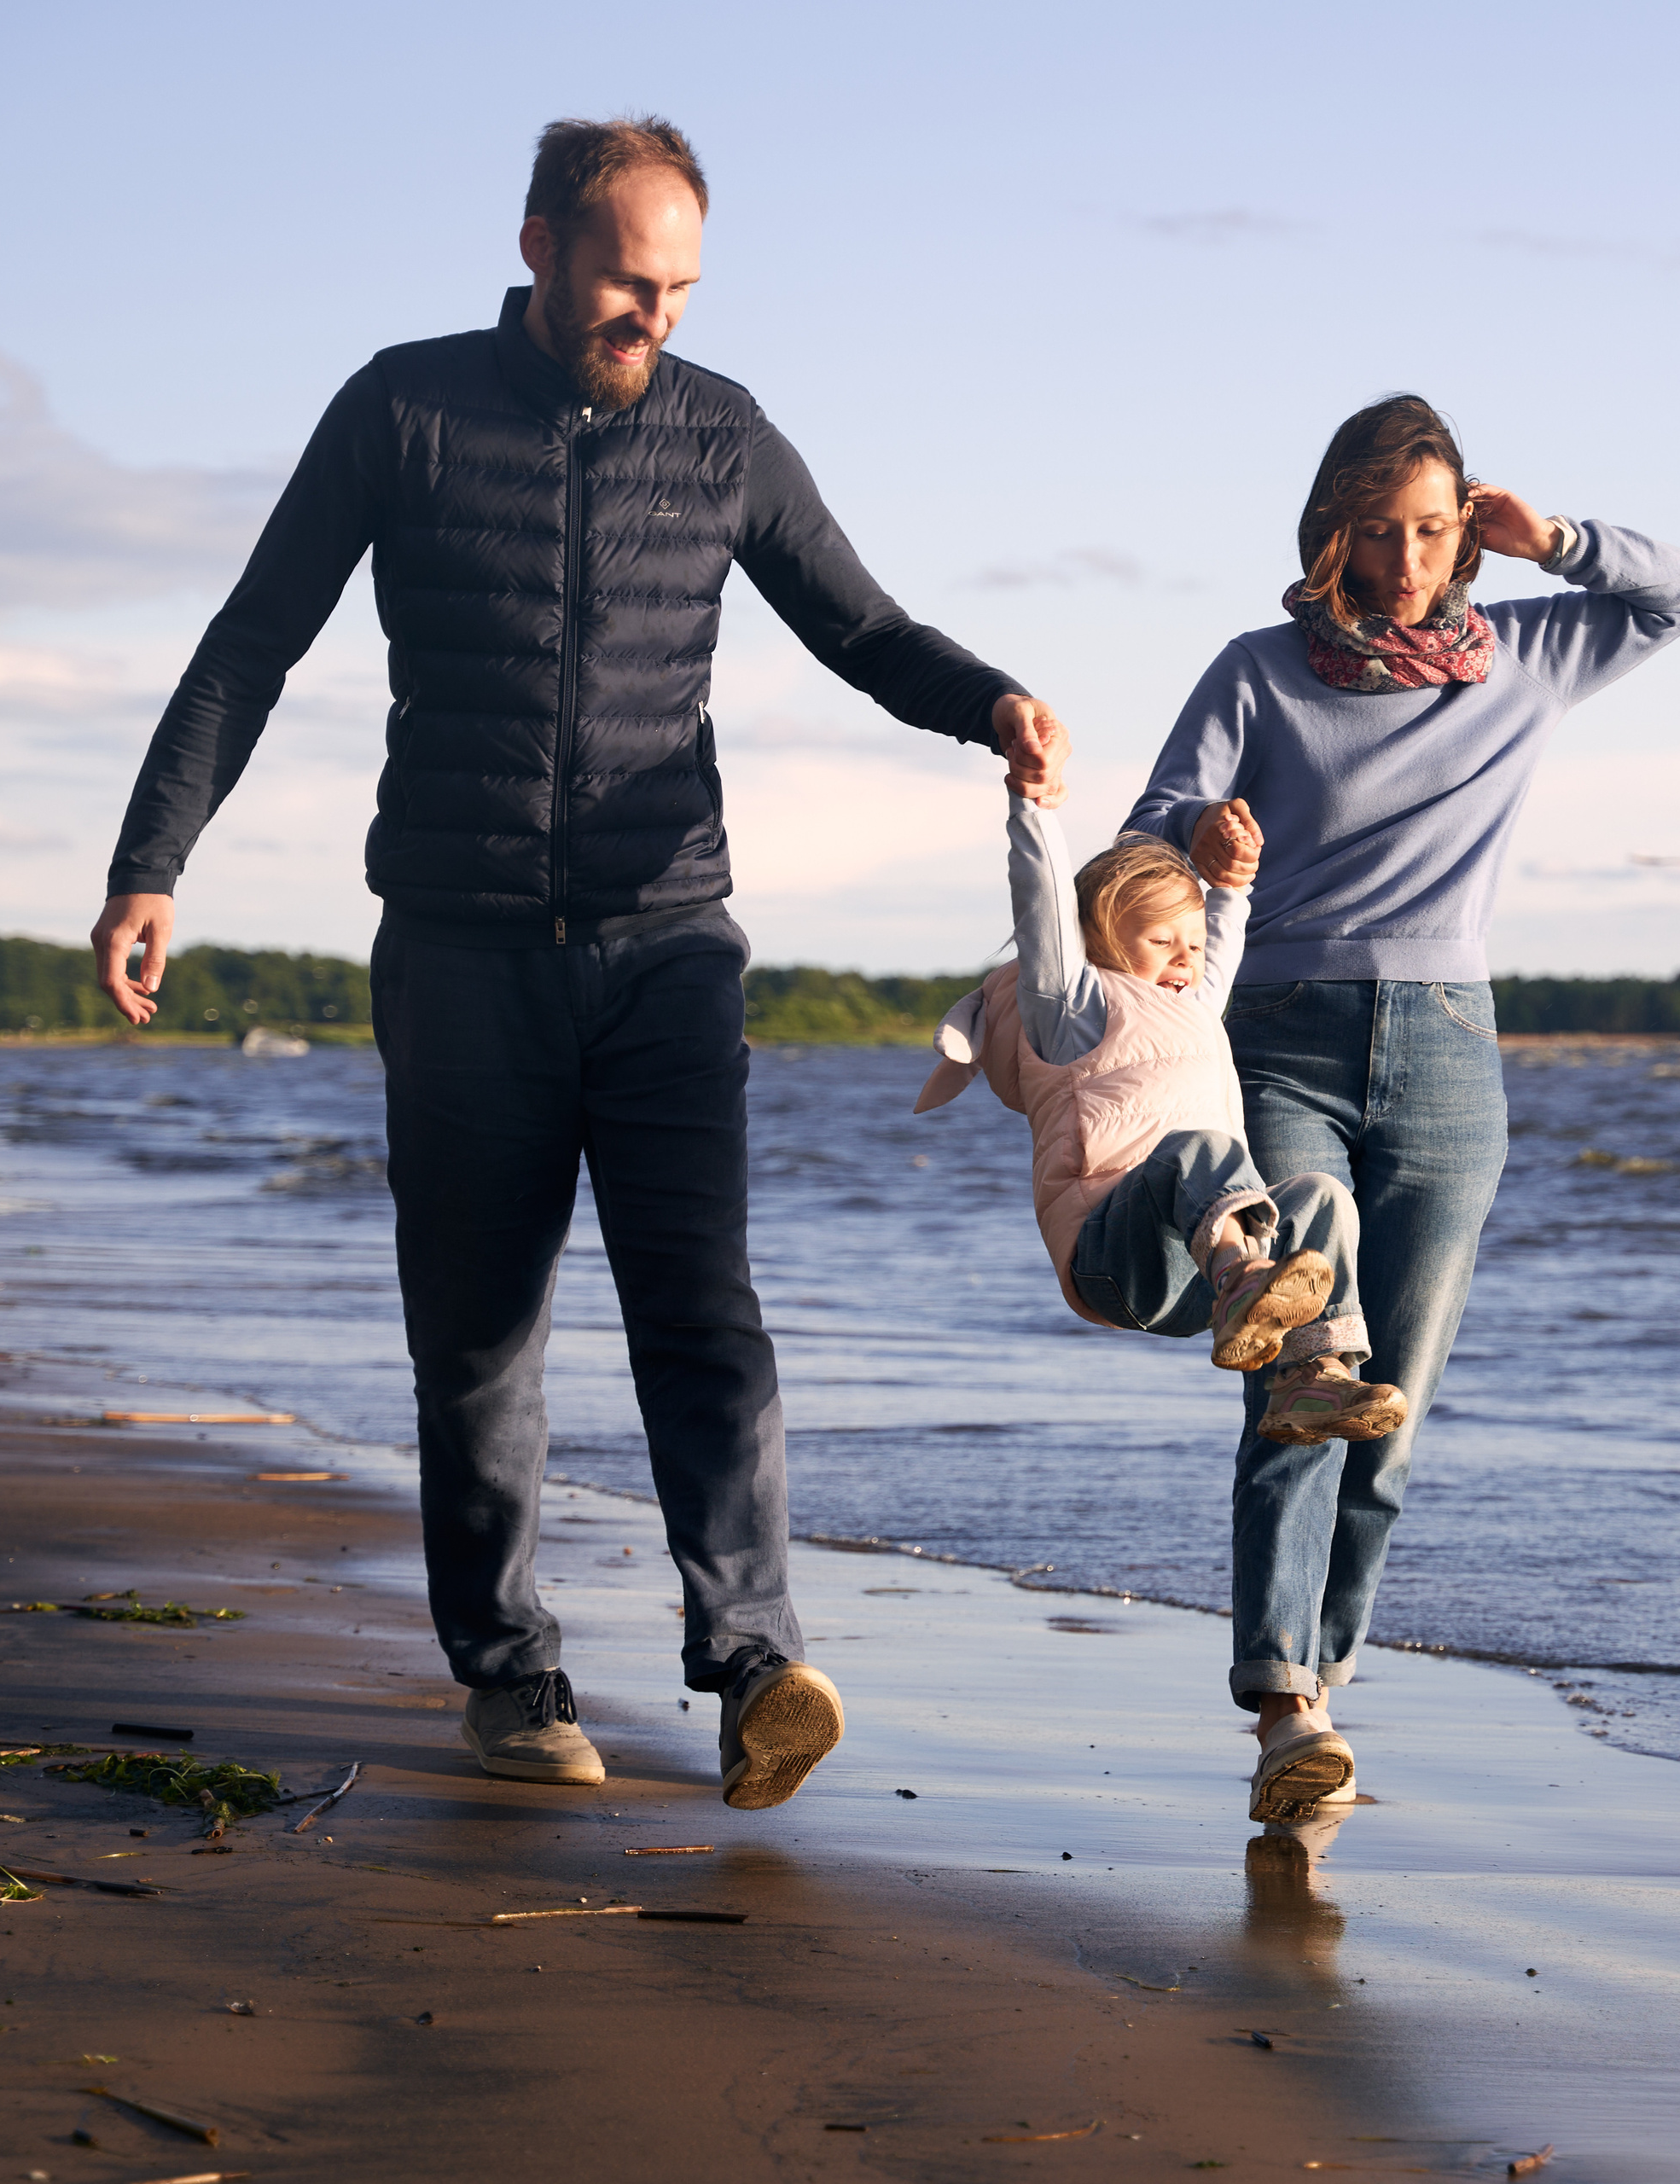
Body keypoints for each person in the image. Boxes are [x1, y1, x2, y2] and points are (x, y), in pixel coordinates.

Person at [87, 115, 1071, 1810]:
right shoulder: (403, 406)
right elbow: (250, 642)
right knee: (475, 1340)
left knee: (703, 1313)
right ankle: (509, 1670)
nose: (654, 317)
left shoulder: (720, 433)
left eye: (680, 287)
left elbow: (859, 622)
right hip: (459, 956)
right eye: (628, 279)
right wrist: (149, 866)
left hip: (666, 943)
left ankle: (754, 1657)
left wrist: (986, 700)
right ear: (539, 244)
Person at [1123, 393, 1680, 1809]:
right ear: (1334, 529)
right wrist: (1200, 842)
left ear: (1470, 534)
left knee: (1391, 1407)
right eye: (1384, 532)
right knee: (1306, 1347)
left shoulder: (1524, 657)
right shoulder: (1260, 670)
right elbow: (1150, 828)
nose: (1409, 563)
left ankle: (1319, 1694)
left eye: (1437, 532)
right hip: (1280, 1036)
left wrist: (1562, 539)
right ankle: (1278, 1697)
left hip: (1452, 1053)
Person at [914, 781, 1407, 1820]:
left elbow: (1218, 946)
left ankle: (1315, 1369)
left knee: (1316, 1194)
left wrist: (1228, 885)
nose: (1183, 960)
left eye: (1189, 943)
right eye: (1159, 941)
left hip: (1193, 1268)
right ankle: (1247, 1289)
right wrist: (1032, 809)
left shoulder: (1188, 1002)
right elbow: (1040, 905)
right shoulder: (1070, 1002)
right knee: (1205, 1151)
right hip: (1112, 1252)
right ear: (1102, 941)